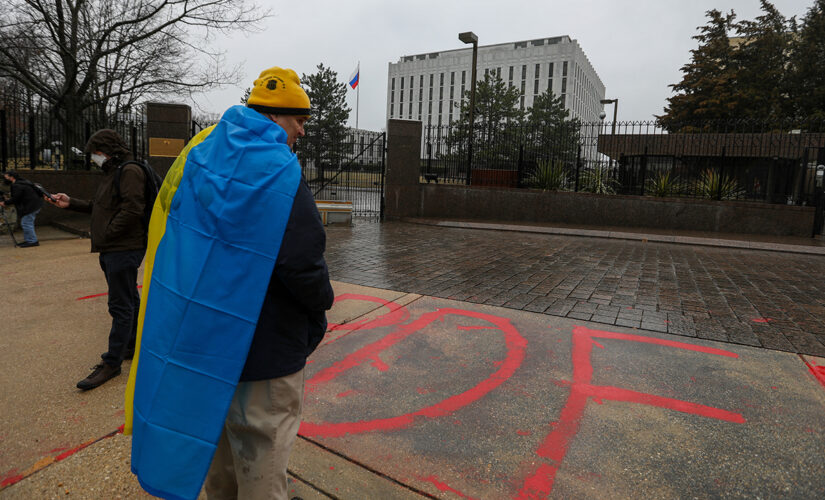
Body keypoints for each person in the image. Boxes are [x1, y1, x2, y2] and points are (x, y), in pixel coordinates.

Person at [125, 67, 333, 500]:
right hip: (266, 352)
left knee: (216, 456)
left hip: (201, 349)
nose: (300, 131)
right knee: (262, 458)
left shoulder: (199, 157)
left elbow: (170, 232)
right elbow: (302, 265)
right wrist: (320, 309)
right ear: (276, 117)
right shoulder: (281, 172)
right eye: (298, 120)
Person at [47, 130, 146, 390]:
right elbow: (99, 206)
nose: (93, 158)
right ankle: (131, 346)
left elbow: (134, 209)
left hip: (123, 248)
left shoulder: (129, 172)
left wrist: (109, 233)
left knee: (120, 305)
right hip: (114, 247)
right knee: (128, 300)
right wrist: (71, 203)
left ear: (107, 151)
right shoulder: (112, 174)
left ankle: (112, 363)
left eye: (96, 153)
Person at [1, 171, 44, 247]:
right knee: (26, 222)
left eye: (6, 176)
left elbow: (16, 198)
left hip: (32, 206)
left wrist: (5, 203)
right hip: (35, 204)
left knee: (26, 223)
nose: (5, 178)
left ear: (11, 177)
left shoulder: (17, 185)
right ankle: (29, 240)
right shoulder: (22, 182)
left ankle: (32, 241)